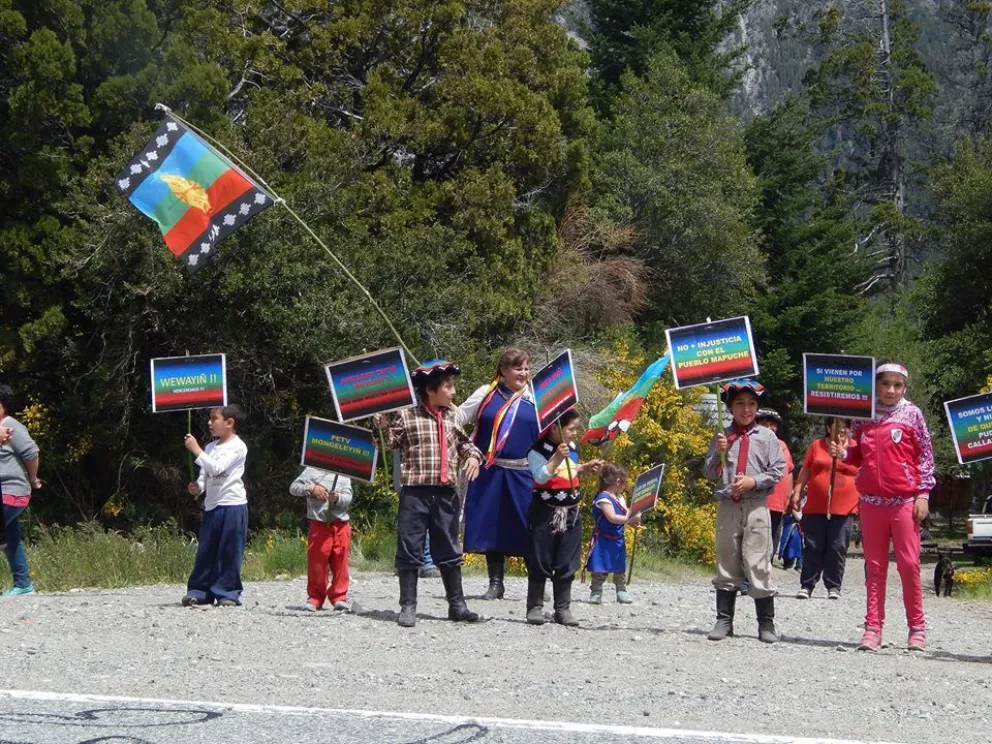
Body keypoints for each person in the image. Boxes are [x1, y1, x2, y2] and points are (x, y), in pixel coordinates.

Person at [830, 360, 934, 652]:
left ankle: (917, 629)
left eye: (897, 385)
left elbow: (925, 457)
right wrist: (844, 452)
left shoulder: (913, 414)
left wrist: (923, 494)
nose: (890, 390)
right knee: (874, 567)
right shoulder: (864, 415)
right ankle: (872, 629)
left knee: (910, 565)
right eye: (885, 384)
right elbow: (856, 458)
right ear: (876, 385)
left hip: (904, 502)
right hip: (871, 503)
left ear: (905, 387)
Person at [375, 359, 483, 628]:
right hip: (415, 493)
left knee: (448, 547)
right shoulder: (407, 415)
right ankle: (408, 606)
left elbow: (465, 444)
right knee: (410, 547)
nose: (454, 391)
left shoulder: (452, 416)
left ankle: (457, 606)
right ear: (431, 390)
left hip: (446, 493)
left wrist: (473, 458)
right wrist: (381, 424)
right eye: (449, 386)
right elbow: (389, 443)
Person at [703, 380, 786, 643]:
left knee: (758, 561)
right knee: (727, 559)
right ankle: (724, 621)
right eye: (739, 403)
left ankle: (766, 624)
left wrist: (754, 481)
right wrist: (717, 453)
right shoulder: (721, 436)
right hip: (728, 506)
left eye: (751, 404)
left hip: (756, 507)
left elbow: (777, 470)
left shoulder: (767, 437)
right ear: (730, 407)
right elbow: (708, 472)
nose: (746, 409)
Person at [458, 347, 539, 600]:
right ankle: (496, 583)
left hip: (524, 472)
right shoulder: (486, 393)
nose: (523, 373)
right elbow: (458, 417)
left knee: (529, 526)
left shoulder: (537, 397)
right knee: (492, 527)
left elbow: (552, 430)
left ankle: (536, 583)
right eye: (518, 368)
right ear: (503, 371)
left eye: (526, 368)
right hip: (489, 471)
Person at [525, 409, 602, 627]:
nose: (575, 433)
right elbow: (541, 475)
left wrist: (583, 468)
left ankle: (562, 608)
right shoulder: (537, 450)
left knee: (567, 561)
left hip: (570, 512)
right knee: (541, 559)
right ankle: (535, 607)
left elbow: (568, 470)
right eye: (571, 429)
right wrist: (557, 456)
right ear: (554, 428)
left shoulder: (573, 448)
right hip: (545, 512)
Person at [182, 404, 249, 607]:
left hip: (233, 505)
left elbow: (218, 467)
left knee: (229, 551)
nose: (210, 423)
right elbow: (206, 475)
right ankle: (199, 591)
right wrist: (198, 487)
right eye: (209, 419)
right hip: (212, 507)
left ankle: (227, 593)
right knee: (206, 550)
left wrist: (195, 450)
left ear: (229, 423)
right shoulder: (210, 448)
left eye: (215, 419)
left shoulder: (238, 446)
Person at [793, 417, 860, 600]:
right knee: (813, 546)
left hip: (845, 507)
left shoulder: (856, 448)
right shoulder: (817, 446)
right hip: (816, 505)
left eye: (845, 427)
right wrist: (797, 492)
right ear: (828, 428)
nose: (842, 431)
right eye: (837, 427)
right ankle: (807, 585)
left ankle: (833, 586)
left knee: (838, 546)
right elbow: (806, 470)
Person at [290, 467, 353, 611]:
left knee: (340, 561)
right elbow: (293, 487)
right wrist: (311, 488)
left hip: (340, 524)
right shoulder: (311, 470)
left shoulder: (344, 472)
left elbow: (348, 497)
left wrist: (337, 498)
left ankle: (339, 597)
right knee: (317, 563)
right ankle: (315, 598)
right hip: (318, 524)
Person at [0, 385, 41, 596]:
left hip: (11, 491)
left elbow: (31, 452)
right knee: (11, 538)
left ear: (4, 406)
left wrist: (33, 479)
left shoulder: (10, 426)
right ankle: (23, 584)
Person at [585, 463, 640, 604]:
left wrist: (636, 514)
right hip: (603, 539)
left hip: (617, 539)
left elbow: (627, 513)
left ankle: (621, 591)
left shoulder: (619, 497)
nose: (625, 486)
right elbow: (612, 517)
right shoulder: (603, 498)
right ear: (617, 481)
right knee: (600, 567)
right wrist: (628, 520)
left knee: (619, 566)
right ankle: (596, 591)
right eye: (624, 482)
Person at [755, 408, 794, 565]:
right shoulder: (753, 443)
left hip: (778, 505)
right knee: (755, 541)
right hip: (758, 501)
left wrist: (790, 496)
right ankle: (746, 581)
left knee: (772, 542)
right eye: (765, 424)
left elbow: (789, 470)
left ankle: (764, 578)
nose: (770, 428)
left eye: (773, 425)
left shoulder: (782, 445)